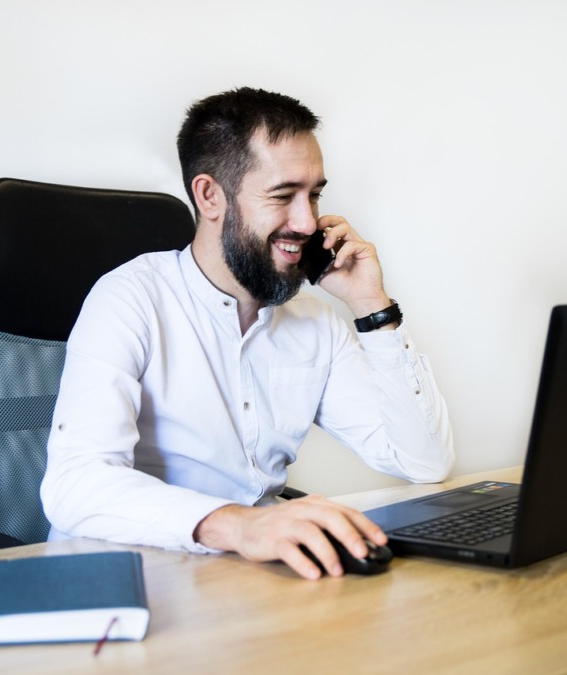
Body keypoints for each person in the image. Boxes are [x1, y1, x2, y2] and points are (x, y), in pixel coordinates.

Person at [41, 87, 454, 579]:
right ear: (210, 196)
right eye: (282, 195)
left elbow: (424, 463)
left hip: (254, 576)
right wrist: (241, 525)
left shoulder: (314, 322)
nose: (307, 222)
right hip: (130, 580)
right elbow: (75, 484)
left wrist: (371, 307)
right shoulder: (129, 299)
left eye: (314, 195)